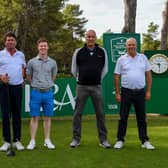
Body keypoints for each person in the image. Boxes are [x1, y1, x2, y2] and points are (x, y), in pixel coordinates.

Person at [70, 29, 111, 148]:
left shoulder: (102, 51)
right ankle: (76, 139)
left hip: (96, 87)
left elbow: (105, 69)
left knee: (100, 114)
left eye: (93, 37)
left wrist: (97, 79)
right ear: (85, 38)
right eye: (88, 37)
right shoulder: (79, 51)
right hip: (81, 86)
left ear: (96, 38)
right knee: (77, 113)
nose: (90, 39)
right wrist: (79, 78)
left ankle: (103, 140)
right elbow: (74, 69)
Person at [113, 38, 155, 150]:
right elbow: (116, 76)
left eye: (133, 45)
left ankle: (145, 140)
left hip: (140, 92)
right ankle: (120, 140)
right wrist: (118, 93)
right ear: (126, 46)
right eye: (129, 45)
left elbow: (148, 75)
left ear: (136, 46)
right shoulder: (121, 59)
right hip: (126, 92)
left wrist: (148, 91)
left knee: (142, 118)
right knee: (123, 117)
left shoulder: (143, 58)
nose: (131, 46)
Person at [26, 38, 57, 150]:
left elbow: (53, 77)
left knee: (47, 118)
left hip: (48, 93)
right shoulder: (31, 62)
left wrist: (47, 84)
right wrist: (36, 84)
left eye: (45, 46)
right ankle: (32, 141)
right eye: (41, 46)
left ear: (47, 47)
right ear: (38, 47)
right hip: (36, 92)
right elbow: (29, 76)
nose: (43, 47)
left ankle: (47, 140)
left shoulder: (53, 62)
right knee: (34, 117)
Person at [0, 32, 26, 151]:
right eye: (8, 40)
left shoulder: (21, 55)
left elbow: (23, 68)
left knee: (16, 114)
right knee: (5, 114)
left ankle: (16, 140)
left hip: (17, 87)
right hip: (4, 87)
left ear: (15, 42)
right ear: (5, 42)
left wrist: (22, 79)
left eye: (12, 40)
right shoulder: (1, 54)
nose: (10, 42)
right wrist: (1, 77)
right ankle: (6, 141)